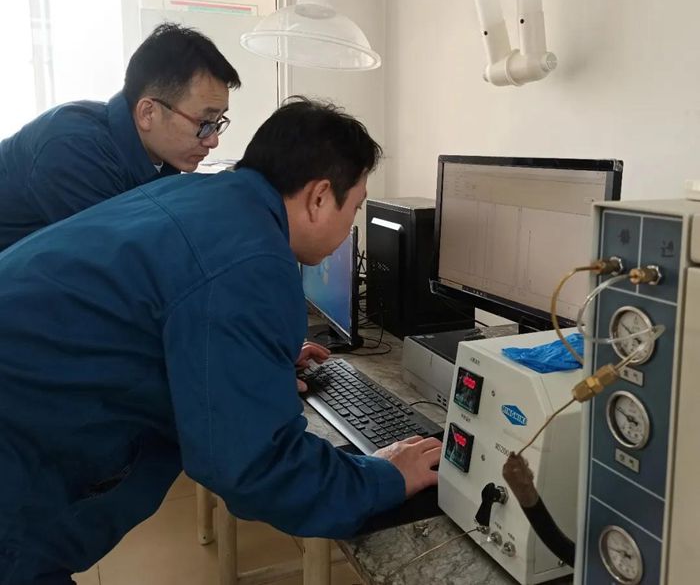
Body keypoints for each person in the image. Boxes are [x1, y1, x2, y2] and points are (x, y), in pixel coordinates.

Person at [0, 97, 442, 584]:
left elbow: (172, 313)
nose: (349, 226)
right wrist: (385, 477)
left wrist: (259, 361)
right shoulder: (252, 259)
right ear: (319, 197)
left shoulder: (203, 197)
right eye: (354, 208)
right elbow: (256, 466)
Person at [0, 22, 241, 252]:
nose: (213, 140)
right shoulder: (73, 148)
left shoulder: (159, 158)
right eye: (204, 123)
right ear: (148, 113)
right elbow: (114, 259)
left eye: (217, 123)